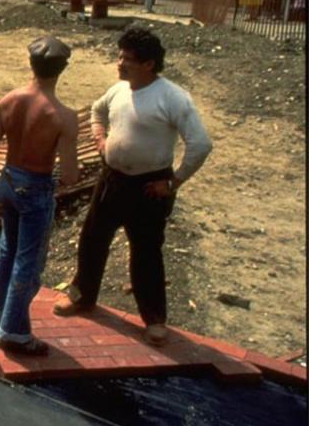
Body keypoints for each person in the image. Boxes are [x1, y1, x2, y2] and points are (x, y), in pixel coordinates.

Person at [52, 28, 213, 347]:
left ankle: (154, 319)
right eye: (120, 56)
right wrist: (100, 137)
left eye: (128, 59)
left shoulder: (173, 98)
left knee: (146, 252)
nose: (120, 64)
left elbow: (201, 144)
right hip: (111, 180)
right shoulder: (118, 90)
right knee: (93, 239)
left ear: (149, 64)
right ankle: (82, 297)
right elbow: (97, 110)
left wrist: (174, 181)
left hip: (149, 187)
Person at [0, 36, 79, 356]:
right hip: (35, 187)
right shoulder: (63, 116)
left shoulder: (9, 100)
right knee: (28, 261)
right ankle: (15, 332)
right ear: (62, 69)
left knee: (8, 249)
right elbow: (70, 174)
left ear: (30, 64)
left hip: (7, 180)